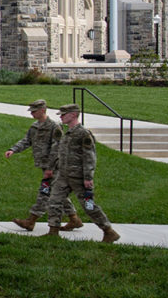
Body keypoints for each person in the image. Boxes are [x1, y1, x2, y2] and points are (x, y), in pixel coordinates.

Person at [47, 104, 119, 243]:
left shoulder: (83, 134)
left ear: (73, 115)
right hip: (64, 175)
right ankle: (53, 231)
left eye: (64, 114)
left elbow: (89, 157)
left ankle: (109, 231)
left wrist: (88, 177)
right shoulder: (67, 134)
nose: (61, 117)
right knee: (54, 201)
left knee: (89, 206)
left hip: (78, 177)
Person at [3, 98, 61, 231]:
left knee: (45, 192)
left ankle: (31, 220)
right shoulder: (35, 127)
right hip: (43, 165)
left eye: (34, 111)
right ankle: (74, 219)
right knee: (57, 191)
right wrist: (13, 149)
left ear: (43, 110)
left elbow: (57, 148)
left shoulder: (54, 126)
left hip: (54, 166)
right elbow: (27, 140)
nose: (32, 114)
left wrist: (50, 168)